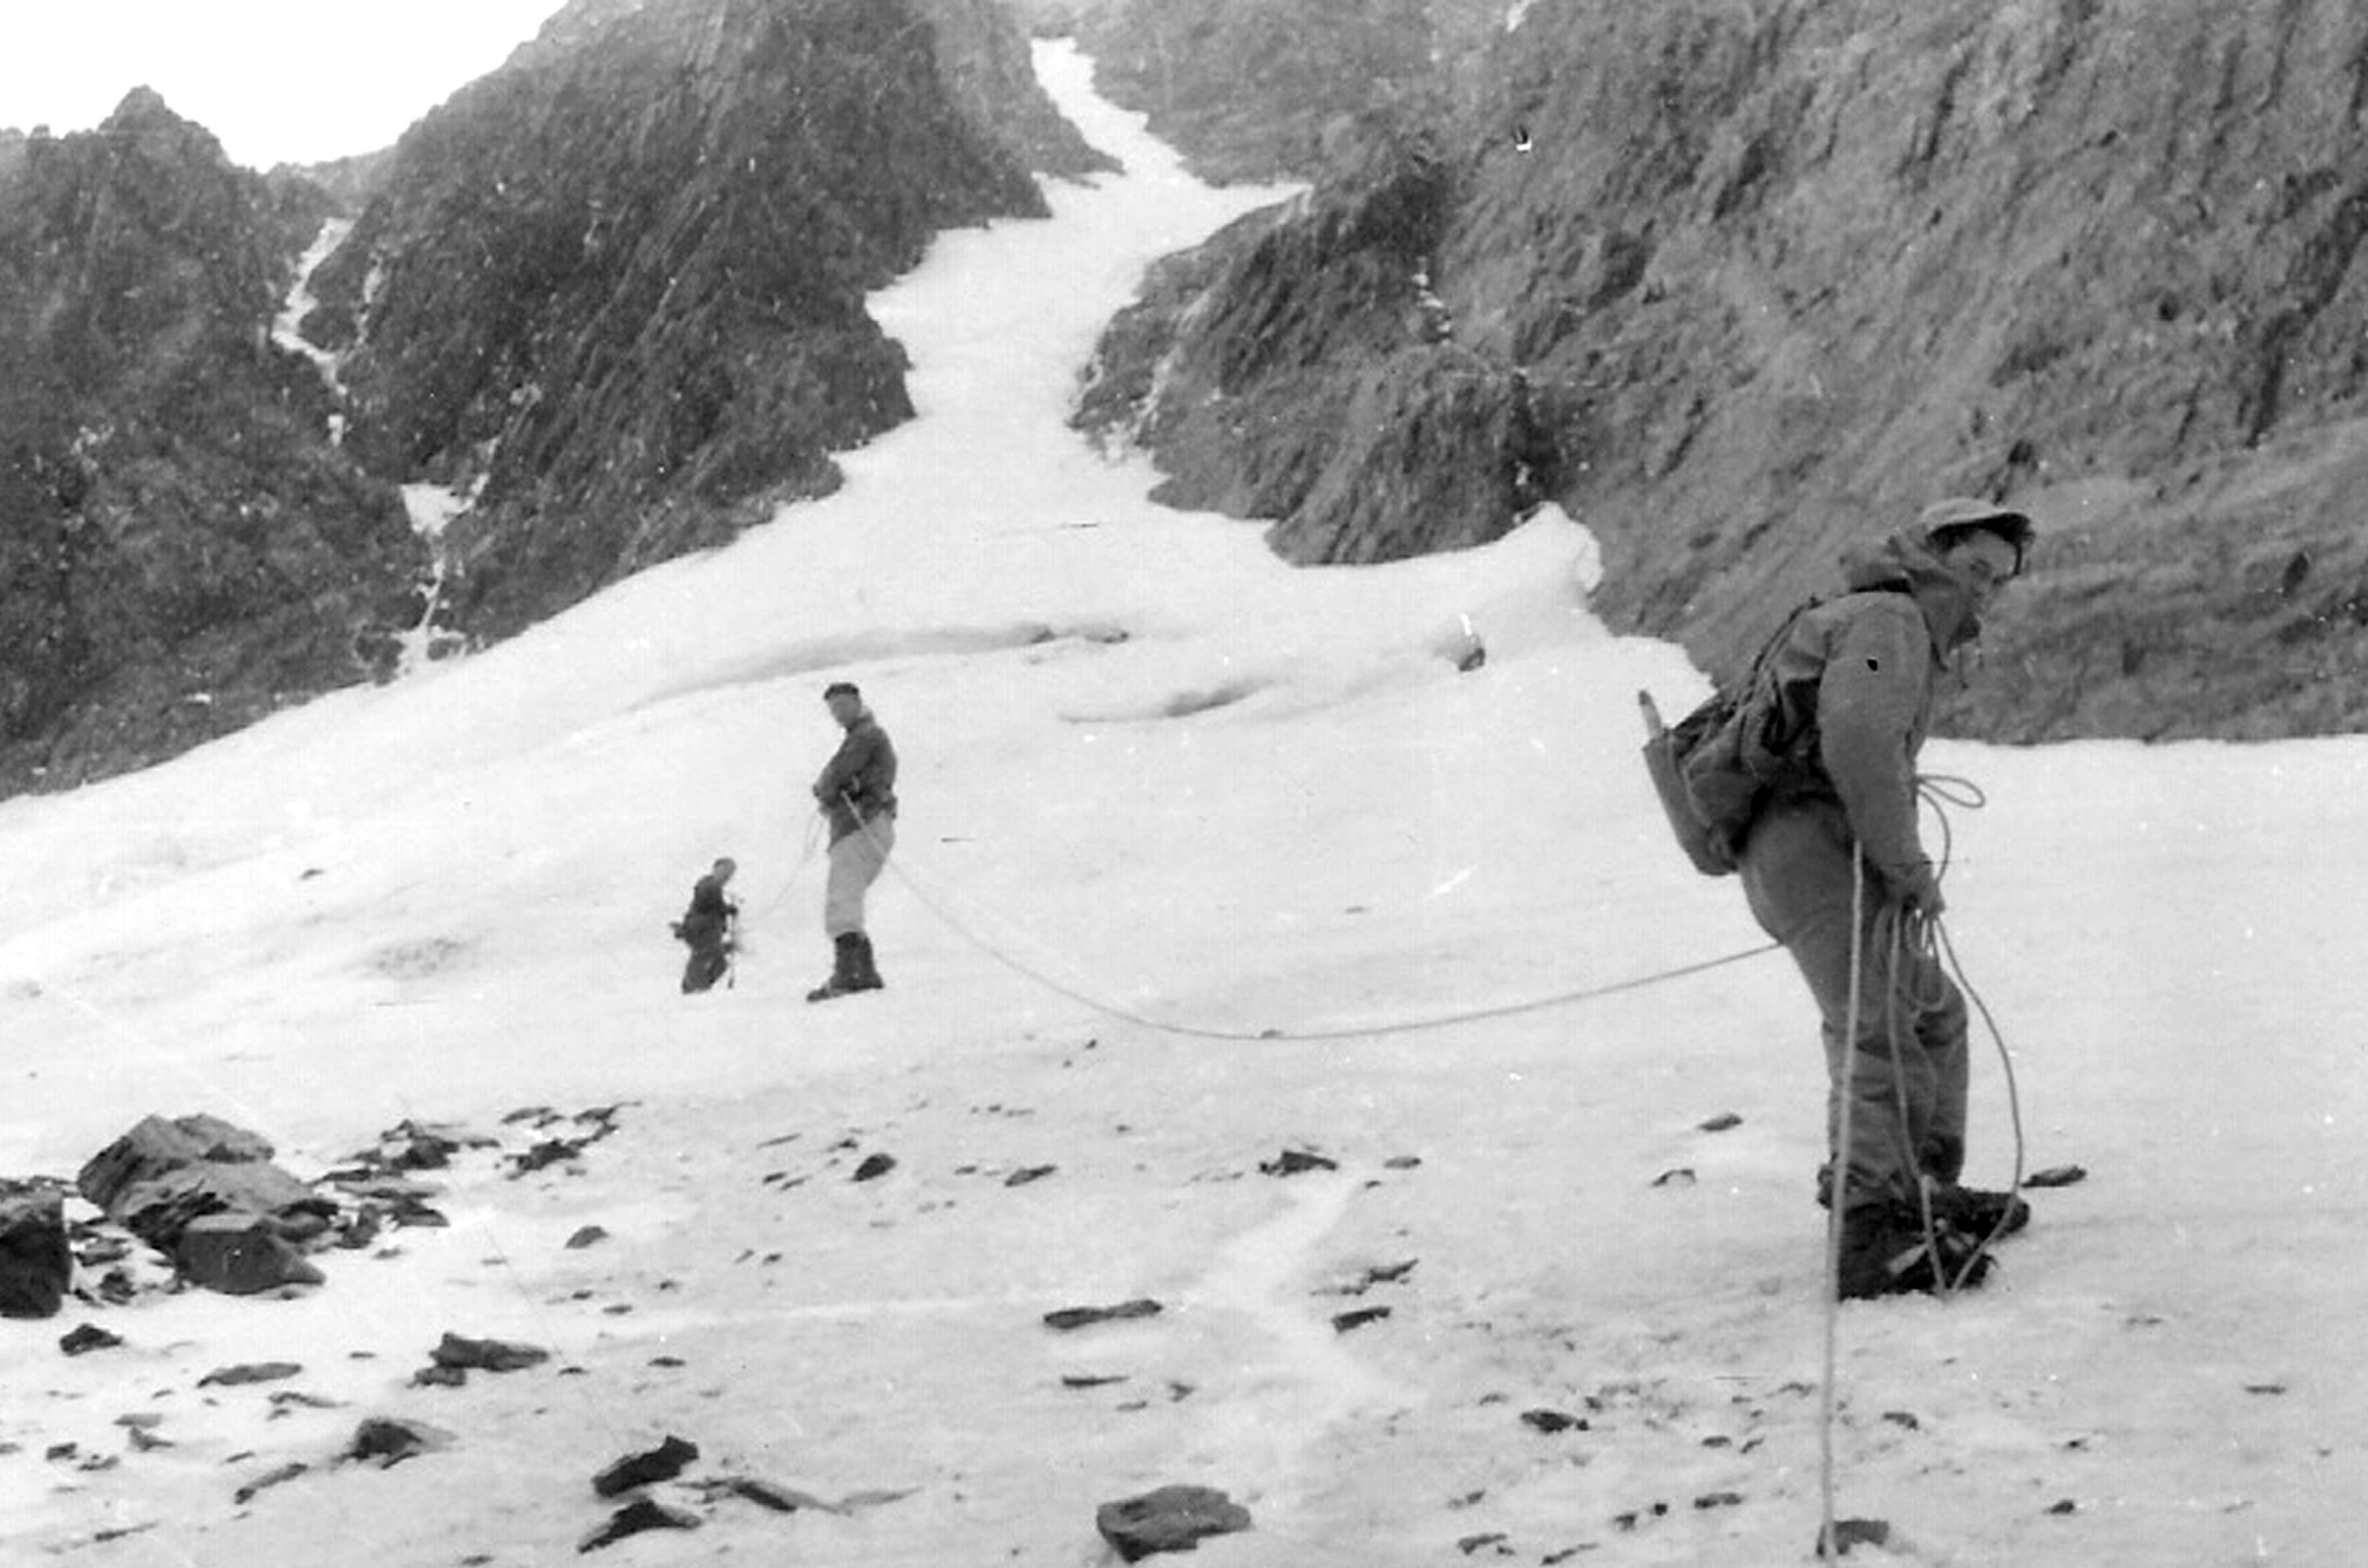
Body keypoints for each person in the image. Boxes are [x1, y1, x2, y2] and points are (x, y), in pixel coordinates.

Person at [1733, 497, 2037, 1299]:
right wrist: (1906, 866)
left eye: (1998, 582)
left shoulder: (1887, 621)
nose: (1984, 594)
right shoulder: (1892, 624)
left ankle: (1914, 1188)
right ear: (1930, 554)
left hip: (1813, 844)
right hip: (1811, 847)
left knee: (1929, 1009)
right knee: (1877, 1026)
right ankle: (1870, 1231)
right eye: (1974, 571)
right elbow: (1860, 742)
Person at [807, 681, 897, 1001]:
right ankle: (864, 972)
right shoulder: (866, 737)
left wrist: (825, 788)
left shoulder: (865, 736)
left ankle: (849, 973)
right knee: (849, 895)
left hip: (860, 823)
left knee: (842, 897)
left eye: (843, 705)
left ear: (858, 702)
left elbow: (834, 776)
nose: (838, 713)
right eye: (833, 709)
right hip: (869, 822)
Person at [673, 857, 739, 994]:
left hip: (707, 930)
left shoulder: (713, 886)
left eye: (730, 874)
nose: (727, 877)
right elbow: (707, 905)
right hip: (701, 929)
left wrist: (725, 910)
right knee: (705, 956)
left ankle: (699, 987)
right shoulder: (709, 885)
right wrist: (726, 910)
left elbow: (713, 906)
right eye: (725, 872)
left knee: (718, 961)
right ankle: (693, 988)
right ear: (716, 870)